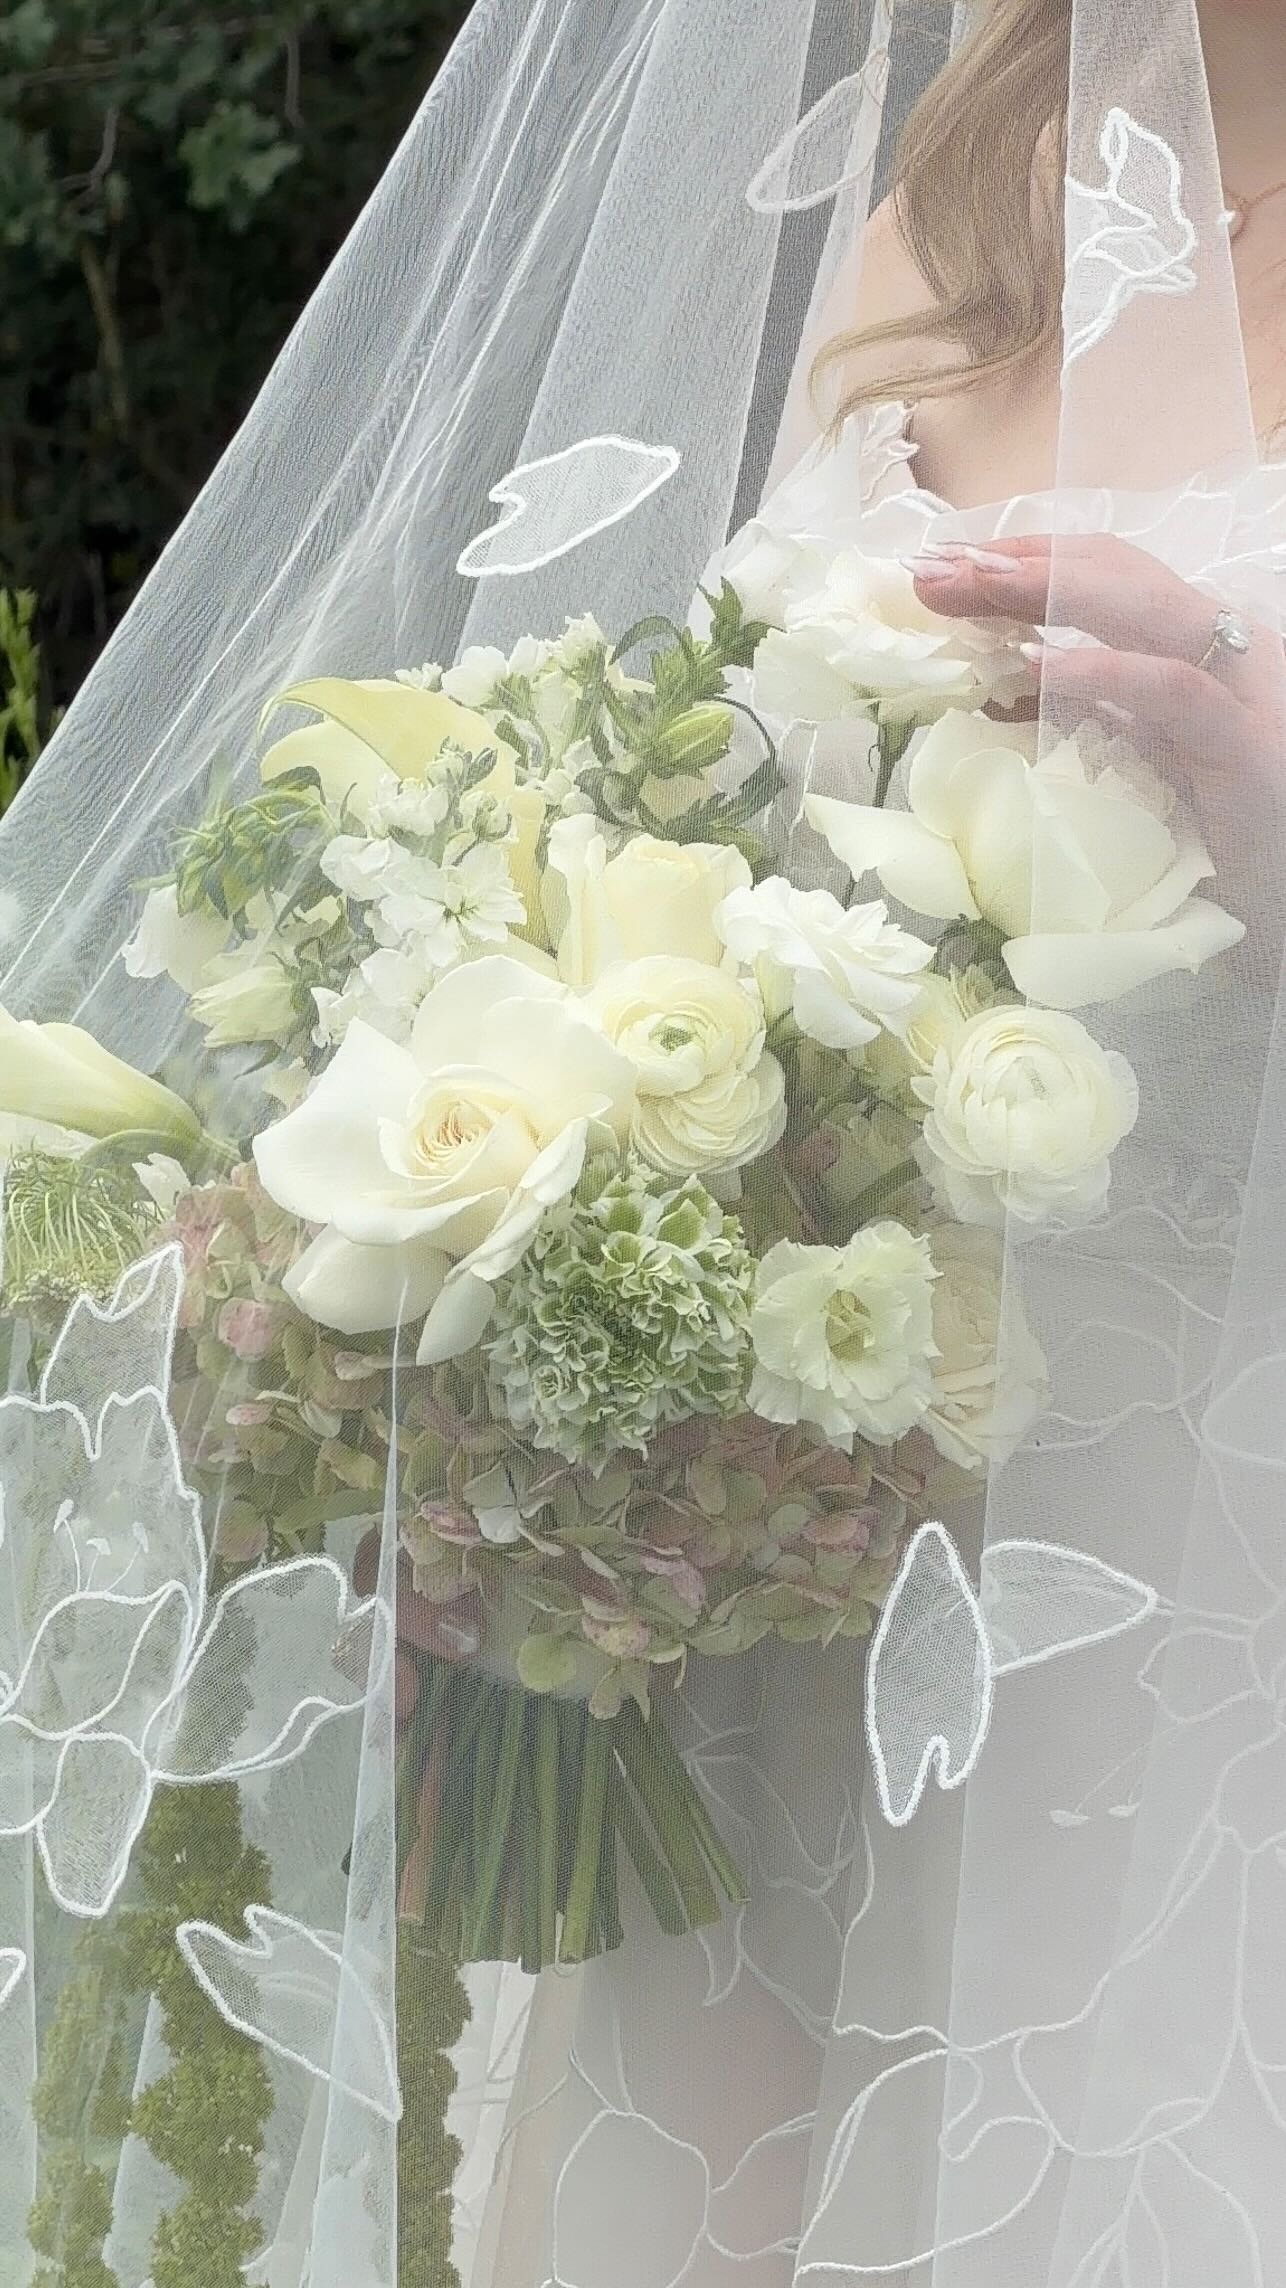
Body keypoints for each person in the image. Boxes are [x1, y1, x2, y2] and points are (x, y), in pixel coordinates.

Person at [1, 4, 1284, 2285]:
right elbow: (695, 809)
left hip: (1202, 1570)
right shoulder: (964, 178)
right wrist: (478, 1377)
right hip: (798, 1566)